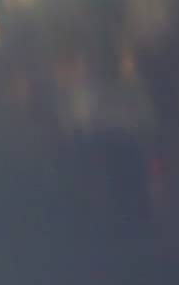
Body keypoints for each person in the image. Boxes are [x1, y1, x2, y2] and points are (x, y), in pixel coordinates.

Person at [57, 52, 159, 236]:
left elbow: (88, 120)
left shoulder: (108, 90)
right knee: (124, 186)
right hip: (113, 144)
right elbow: (144, 117)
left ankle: (133, 222)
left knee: (125, 186)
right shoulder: (117, 90)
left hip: (115, 143)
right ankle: (133, 221)